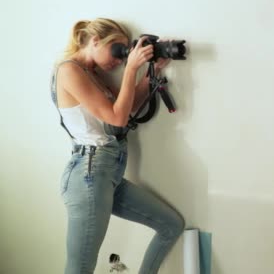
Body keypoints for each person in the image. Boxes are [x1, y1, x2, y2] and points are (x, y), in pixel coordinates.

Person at [50, 18, 185, 274]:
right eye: (118, 50)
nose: (120, 60)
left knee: (171, 225)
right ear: (95, 41)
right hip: (88, 175)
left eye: (124, 54)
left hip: (107, 174)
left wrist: (151, 70)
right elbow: (117, 118)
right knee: (80, 267)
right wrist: (131, 68)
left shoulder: (93, 74)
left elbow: (129, 106)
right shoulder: (69, 70)